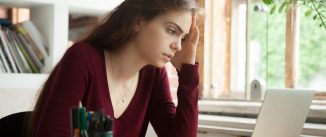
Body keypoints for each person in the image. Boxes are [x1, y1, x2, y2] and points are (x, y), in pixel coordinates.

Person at [28, 0, 201, 136]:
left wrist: (188, 70)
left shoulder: (154, 76)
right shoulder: (82, 59)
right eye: (172, 31)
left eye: (183, 37)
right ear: (139, 21)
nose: (178, 46)